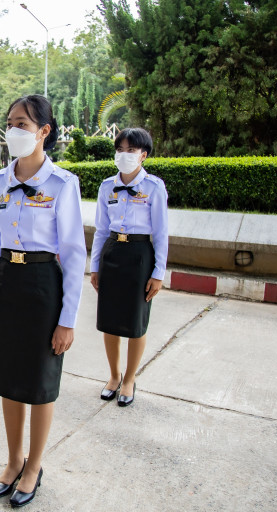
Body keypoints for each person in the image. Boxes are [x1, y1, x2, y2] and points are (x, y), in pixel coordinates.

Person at [0, 95, 87, 508]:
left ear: (44, 131)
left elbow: (73, 254)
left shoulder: (63, 184)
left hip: (44, 287)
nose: (13, 130)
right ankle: (13, 460)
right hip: (7, 284)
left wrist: (68, 319)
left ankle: (34, 465)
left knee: (40, 381)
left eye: (22, 124)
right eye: (10, 123)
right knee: (9, 379)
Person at [89, 127, 169, 407]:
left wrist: (158, 273)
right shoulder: (106, 186)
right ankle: (114, 376)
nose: (124, 155)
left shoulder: (154, 187)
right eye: (120, 150)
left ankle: (130, 378)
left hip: (139, 256)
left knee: (136, 322)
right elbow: (101, 230)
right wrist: (95, 266)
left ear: (143, 155)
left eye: (131, 150)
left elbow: (161, 233)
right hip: (112, 252)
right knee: (110, 320)